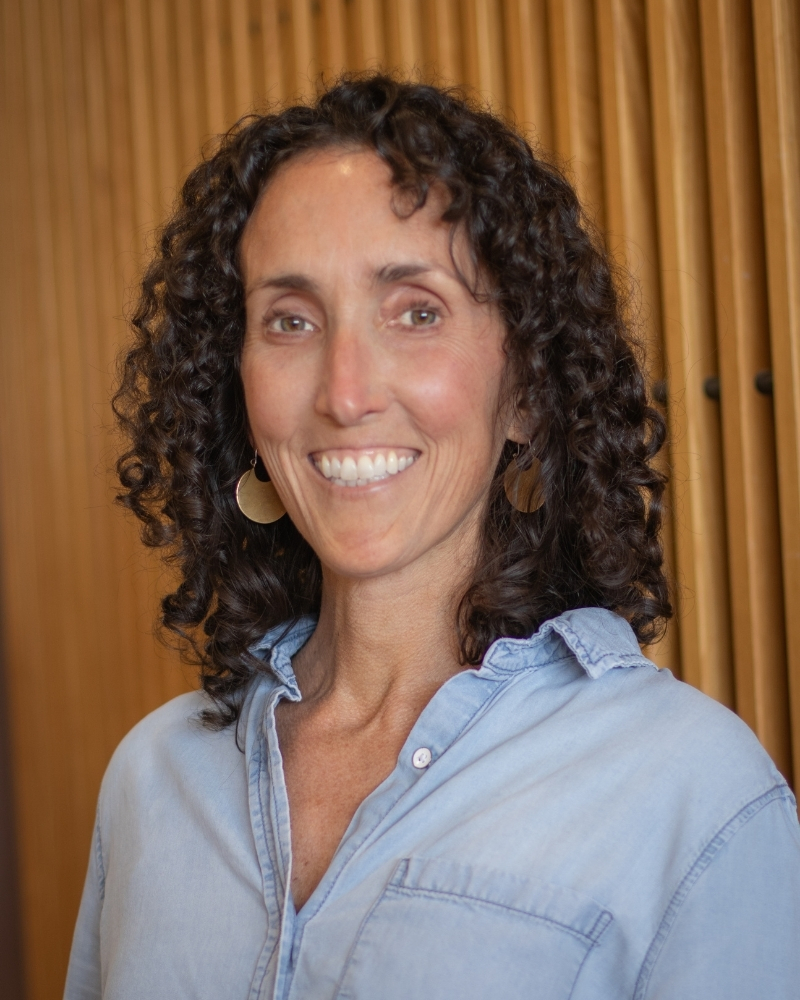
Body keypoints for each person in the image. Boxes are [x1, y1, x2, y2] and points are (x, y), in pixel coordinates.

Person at [65, 75, 800, 1000]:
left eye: (416, 311)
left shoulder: (694, 794)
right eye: (289, 321)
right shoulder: (150, 779)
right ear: (236, 388)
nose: (344, 392)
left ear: (527, 386)